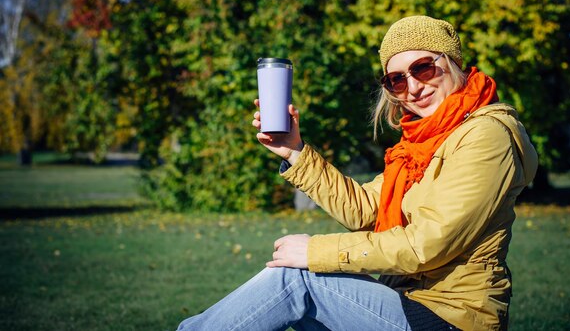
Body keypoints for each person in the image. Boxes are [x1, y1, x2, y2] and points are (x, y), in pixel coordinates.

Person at [177, 16, 538, 331]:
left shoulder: (485, 135)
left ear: (453, 63)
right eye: (396, 80)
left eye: (423, 68)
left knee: (297, 277)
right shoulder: (421, 144)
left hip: (451, 318)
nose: (412, 87)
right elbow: (367, 209)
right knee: (303, 286)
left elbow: (428, 244)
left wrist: (314, 251)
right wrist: (295, 152)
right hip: (407, 301)